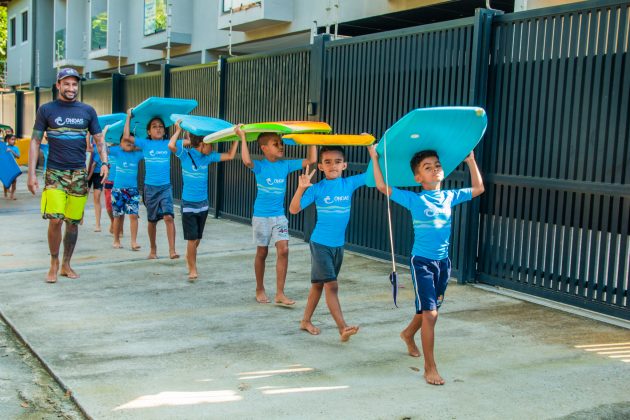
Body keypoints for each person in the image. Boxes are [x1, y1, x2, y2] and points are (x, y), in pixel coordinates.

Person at [369, 146, 484, 385]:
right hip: (421, 263)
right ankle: (430, 368)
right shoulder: (415, 199)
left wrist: (471, 161)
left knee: (428, 309)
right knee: (431, 314)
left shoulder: (450, 196)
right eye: (427, 168)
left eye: (437, 166)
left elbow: (478, 188)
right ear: (418, 178)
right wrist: (374, 158)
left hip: (443, 263)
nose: (434, 170)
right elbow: (382, 187)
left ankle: (408, 333)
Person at [26, 68, 107, 283]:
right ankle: (53, 262)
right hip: (55, 173)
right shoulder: (46, 110)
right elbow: (35, 141)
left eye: (74, 84)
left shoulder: (87, 111)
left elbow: (99, 138)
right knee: (55, 220)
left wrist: (105, 162)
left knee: (72, 222)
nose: (71, 88)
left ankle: (66, 264)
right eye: (67, 84)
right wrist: (31, 174)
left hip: (79, 174)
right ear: (58, 85)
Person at [289, 146, 365, 342]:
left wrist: (371, 149)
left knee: (318, 285)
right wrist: (301, 188)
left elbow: (372, 175)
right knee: (331, 286)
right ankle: (343, 328)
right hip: (320, 244)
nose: (333, 165)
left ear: (345, 165)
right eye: (328, 162)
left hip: (338, 245)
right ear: (321, 166)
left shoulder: (349, 183)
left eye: (337, 162)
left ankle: (305, 321)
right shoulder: (317, 188)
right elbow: (294, 209)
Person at [239, 128, 317, 304]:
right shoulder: (260, 166)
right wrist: (242, 137)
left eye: (281, 143)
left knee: (284, 250)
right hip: (261, 216)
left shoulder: (285, 165)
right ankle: (259, 288)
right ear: (264, 148)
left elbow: (312, 160)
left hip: (279, 216)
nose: (281, 146)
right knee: (262, 252)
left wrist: (312, 138)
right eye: (276, 144)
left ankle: (280, 293)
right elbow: (246, 160)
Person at [168, 121, 239, 280]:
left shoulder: (208, 157)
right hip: (189, 205)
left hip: (203, 204)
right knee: (192, 239)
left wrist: (237, 137)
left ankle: (189, 255)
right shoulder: (185, 154)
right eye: (211, 144)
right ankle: (192, 268)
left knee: (197, 238)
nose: (213, 148)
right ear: (202, 143)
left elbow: (230, 155)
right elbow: (172, 145)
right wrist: (179, 130)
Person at [123, 108, 178, 259]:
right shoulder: (145, 143)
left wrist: (181, 126)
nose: (158, 128)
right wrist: (128, 116)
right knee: (152, 221)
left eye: (161, 126)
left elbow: (188, 141)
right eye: (154, 126)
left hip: (166, 186)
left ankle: (172, 250)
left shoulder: (169, 144)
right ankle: (153, 250)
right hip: (150, 188)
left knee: (168, 217)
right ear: (148, 131)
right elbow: (127, 137)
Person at [108, 133, 144, 250]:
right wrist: (103, 134)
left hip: (132, 190)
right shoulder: (117, 151)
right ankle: (116, 240)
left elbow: (147, 148)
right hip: (118, 190)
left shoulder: (137, 154)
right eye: (125, 141)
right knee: (118, 216)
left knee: (133, 215)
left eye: (130, 141)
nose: (128, 143)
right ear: (120, 143)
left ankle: (134, 242)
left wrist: (136, 146)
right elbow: (102, 148)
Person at [87, 137, 105, 232]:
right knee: (83, 196)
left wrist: (88, 178)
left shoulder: (100, 147)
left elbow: (94, 165)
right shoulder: (90, 145)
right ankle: (79, 216)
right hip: (88, 171)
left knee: (97, 197)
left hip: (97, 174)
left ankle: (98, 224)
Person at [3, 134, 20, 200]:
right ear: (8, 140)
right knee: (6, 181)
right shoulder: (4, 147)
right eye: (12, 139)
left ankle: (12, 195)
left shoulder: (16, 148)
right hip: (6, 166)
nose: (13, 141)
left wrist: (11, 151)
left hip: (13, 166)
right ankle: (5, 192)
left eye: (14, 139)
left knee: (14, 181)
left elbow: (18, 156)